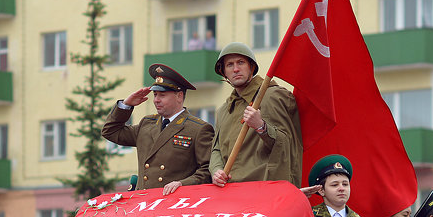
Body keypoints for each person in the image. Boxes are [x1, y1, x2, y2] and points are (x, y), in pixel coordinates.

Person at [102, 62, 213, 195]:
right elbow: (110, 131)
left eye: (162, 95)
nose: (156, 100)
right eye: (155, 95)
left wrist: (182, 184)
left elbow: (208, 170)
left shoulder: (198, 129)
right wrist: (126, 105)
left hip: (174, 204)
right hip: (144, 202)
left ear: (179, 96)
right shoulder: (147, 124)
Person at [209, 42, 301, 187]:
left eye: (241, 63)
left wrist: (261, 127)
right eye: (229, 65)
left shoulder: (272, 96)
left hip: (263, 188)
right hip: (229, 191)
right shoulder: (224, 110)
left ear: (251, 67)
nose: (236, 69)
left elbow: (288, 144)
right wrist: (216, 170)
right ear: (223, 72)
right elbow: (216, 149)